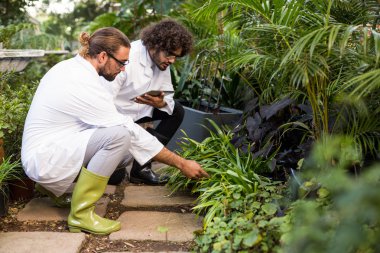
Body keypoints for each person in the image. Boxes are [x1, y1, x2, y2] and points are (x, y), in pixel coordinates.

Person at [21, 27, 209, 235]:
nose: (123, 70)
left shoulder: (74, 68)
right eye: (121, 63)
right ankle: (81, 215)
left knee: (125, 146)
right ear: (102, 56)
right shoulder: (83, 82)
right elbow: (126, 128)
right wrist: (181, 163)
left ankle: (51, 188)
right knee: (120, 136)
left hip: (52, 146)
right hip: (44, 157)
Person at [103, 19, 192, 185]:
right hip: (115, 116)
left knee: (176, 111)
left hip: (139, 110)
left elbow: (167, 97)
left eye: (176, 57)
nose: (172, 60)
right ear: (155, 45)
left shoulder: (162, 62)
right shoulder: (127, 58)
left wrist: (161, 103)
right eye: (170, 54)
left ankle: (141, 169)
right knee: (114, 179)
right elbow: (103, 102)